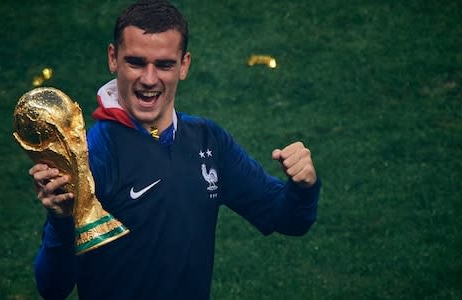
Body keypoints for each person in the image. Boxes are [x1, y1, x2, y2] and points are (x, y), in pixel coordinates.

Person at [29, 0, 321, 299]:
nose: (149, 79)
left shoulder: (209, 141)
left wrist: (303, 187)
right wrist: (61, 221)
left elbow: (287, 218)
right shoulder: (94, 157)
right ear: (113, 58)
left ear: (184, 65)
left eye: (164, 64)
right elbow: (53, 287)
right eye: (136, 62)